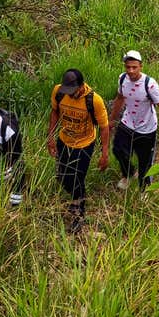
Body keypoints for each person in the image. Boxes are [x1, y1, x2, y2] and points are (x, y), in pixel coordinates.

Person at [47, 69, 110, 233]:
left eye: (73, 91)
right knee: (62, 177)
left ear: (81, 86)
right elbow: (54, 112)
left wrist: (104, 154)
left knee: (76, 179)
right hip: (64, 141)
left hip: (84, 144)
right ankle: (76, 199)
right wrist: (50, 137)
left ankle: (78, 213)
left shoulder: (94, 100)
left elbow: (104, 128)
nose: (71, 94)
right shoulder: (59, 92)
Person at [109, 50, 159, 191]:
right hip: (127, 123)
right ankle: (129, 174)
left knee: (145, 162)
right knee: (118, 150)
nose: (131, 71)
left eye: (134, 67)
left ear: (141, 66)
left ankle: (144, 189)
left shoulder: (149, 84)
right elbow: (119, 99)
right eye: (128, 67)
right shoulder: (122, 79)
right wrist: (111, 120)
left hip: (146, 128)